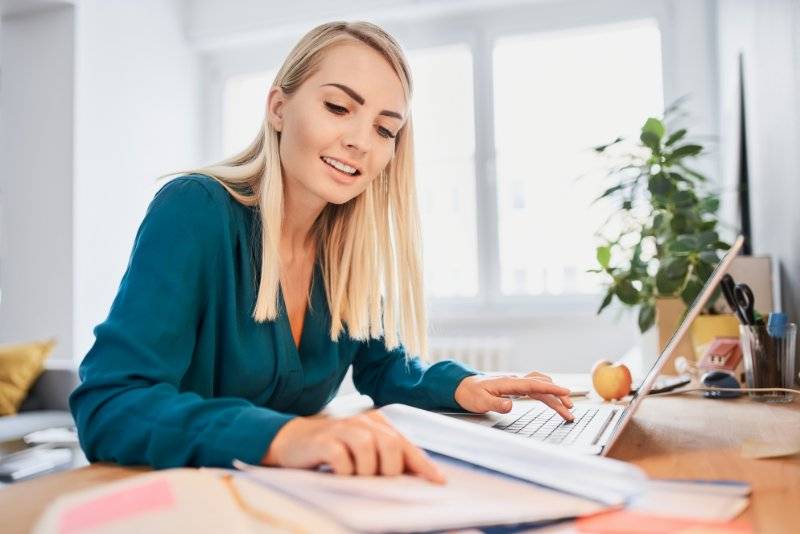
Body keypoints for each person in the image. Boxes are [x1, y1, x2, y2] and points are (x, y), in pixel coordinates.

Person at [70, 21, 574, 484]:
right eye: (338, 107)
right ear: (278, 108)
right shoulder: (194, 210)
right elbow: (111, 403)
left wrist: (465, 386)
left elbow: (384, 368)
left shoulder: (348, 248)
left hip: (281, 501)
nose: (359, 141)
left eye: (384, 128)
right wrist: (285, 438)